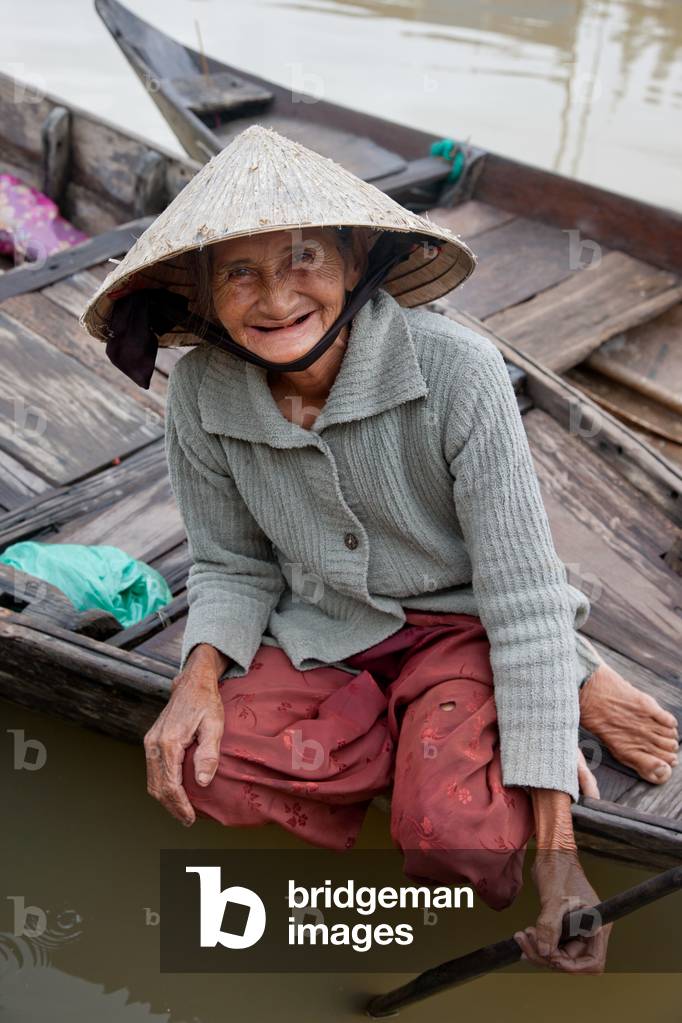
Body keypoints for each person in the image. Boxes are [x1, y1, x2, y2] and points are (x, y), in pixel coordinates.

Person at [81, 125, 678, 974]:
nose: (276, 296)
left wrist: (559, 859)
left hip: (462, 625)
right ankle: (440, 731)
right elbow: (230, 565)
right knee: (200, 767)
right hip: (327, 630)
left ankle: (526, 704)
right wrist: (196, 681)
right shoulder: (203, 394)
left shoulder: (459, 372)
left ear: (357, 260)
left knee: (463, 841)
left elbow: (521, 598)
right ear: (205, 300)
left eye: (303, 260)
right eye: (240, 273)